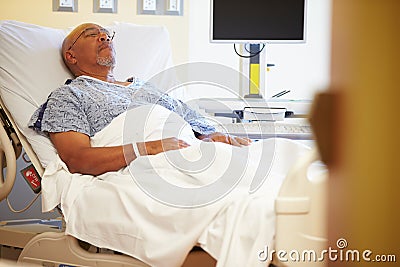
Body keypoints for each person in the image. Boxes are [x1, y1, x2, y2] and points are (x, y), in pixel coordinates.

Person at [29, 23, 251, 176]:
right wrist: (148, 148)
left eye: (107, 34)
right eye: (91, 34)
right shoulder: (68, 96)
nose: (104, 37)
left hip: (191, 153)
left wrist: (214, 138)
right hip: (148, 168)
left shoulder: (146, 87)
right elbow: (78, 159)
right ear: (71, 55)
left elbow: (198, 129)